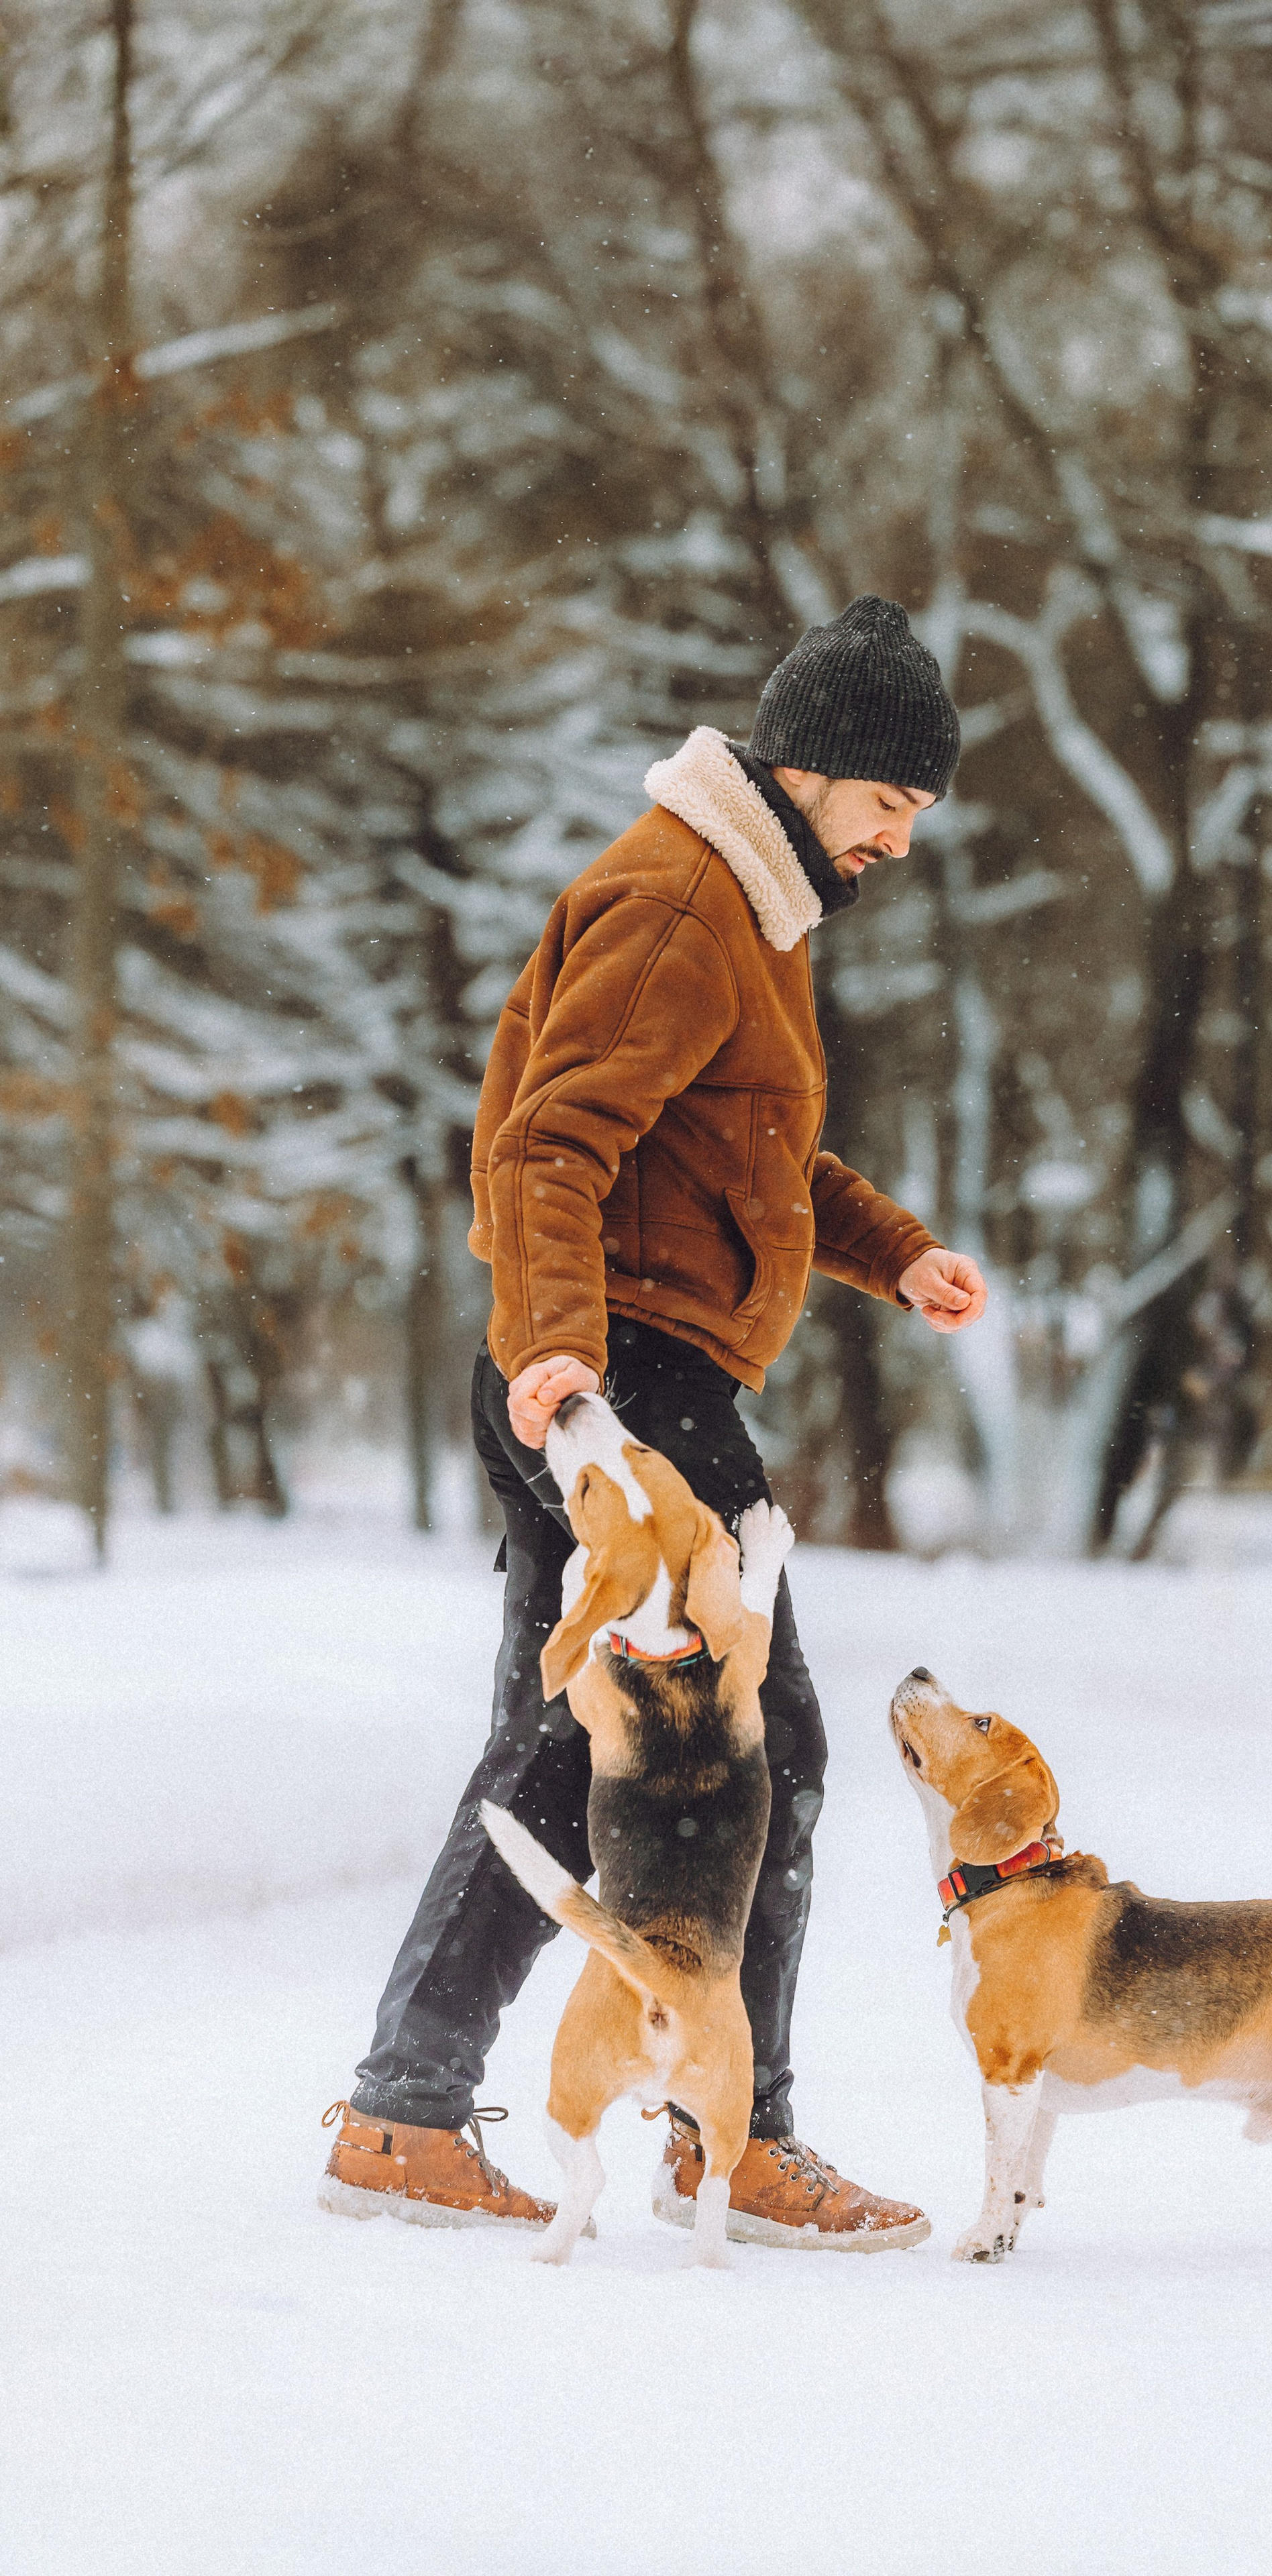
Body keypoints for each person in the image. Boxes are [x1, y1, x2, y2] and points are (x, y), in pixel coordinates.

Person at [321, 596, 987, 2247]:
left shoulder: (746, 910)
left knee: (559, 1745)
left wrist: (893, 1254)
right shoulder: (688, 904)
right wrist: (567, 1370)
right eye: (888, 802)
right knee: (758, 1754)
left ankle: (406, 2112)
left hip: (597, 1369)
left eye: (916, 812)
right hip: (621, 1382)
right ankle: (732, 2142)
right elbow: (548, 1147)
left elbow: (749, 1156)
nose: (899, 841)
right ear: (809, 765)